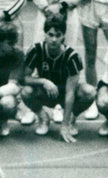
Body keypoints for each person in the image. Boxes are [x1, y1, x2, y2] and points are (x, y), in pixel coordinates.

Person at [31, 0, 84, 123]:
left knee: (66, 58)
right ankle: (40, 107)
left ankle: (63, 106)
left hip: (69, 15)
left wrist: (61, 6)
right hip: (45, 15)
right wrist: (47, 8)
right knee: (41, 56)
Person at [22, 13, 95, 143]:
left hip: (65, 92)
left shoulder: (72, 56)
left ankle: (71, 118)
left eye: (58, 35)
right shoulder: (36, 50)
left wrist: (64, 124)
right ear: (44, 34)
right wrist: (43, 81)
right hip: (46, 92)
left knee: (89, 92)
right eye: (50, 35)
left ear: (64, 36)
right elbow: (24, 78)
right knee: (26, 92)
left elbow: (70, 92)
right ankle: (43, 117)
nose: (54, 39)